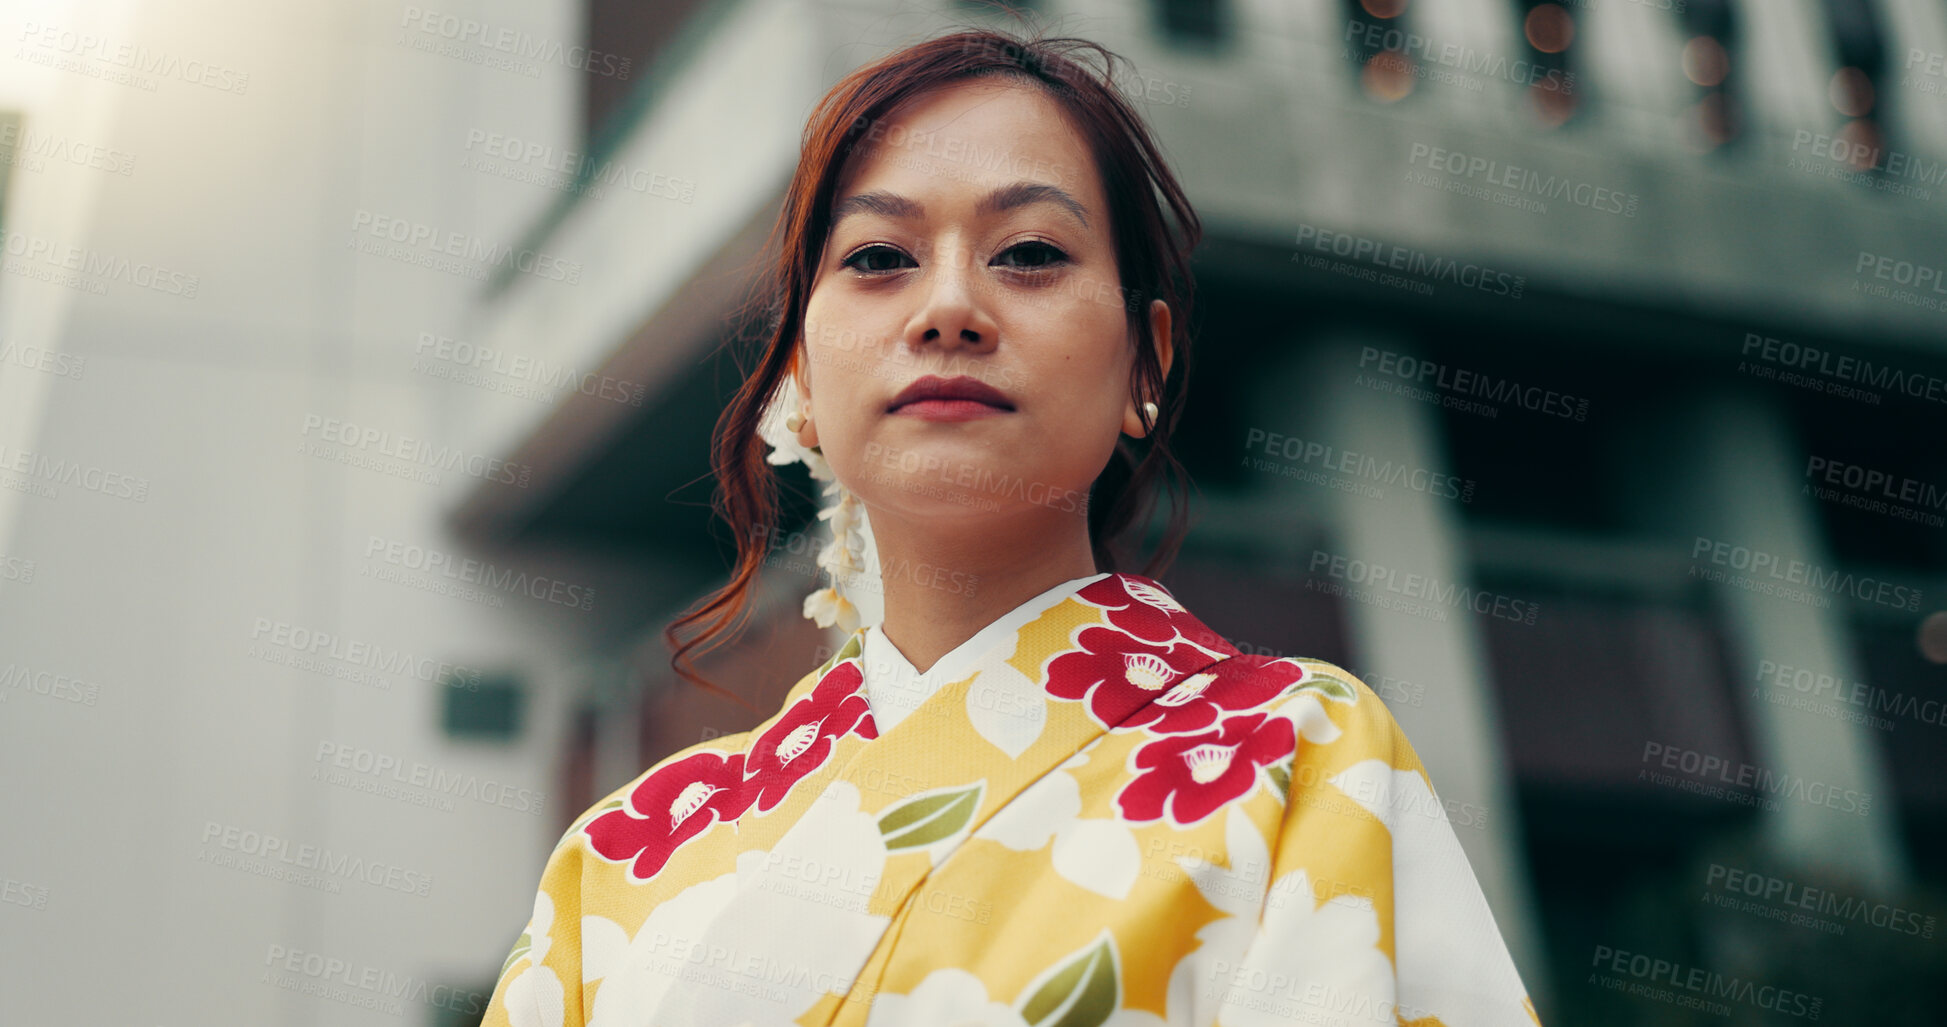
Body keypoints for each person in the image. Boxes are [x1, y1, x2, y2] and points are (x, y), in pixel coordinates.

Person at [480, 27, 1540, 1027]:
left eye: (1030, 252)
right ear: (800, 375)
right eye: (878, 258)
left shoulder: (1300, 761)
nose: (949, 307)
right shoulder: (624, 855)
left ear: (1146, 365)